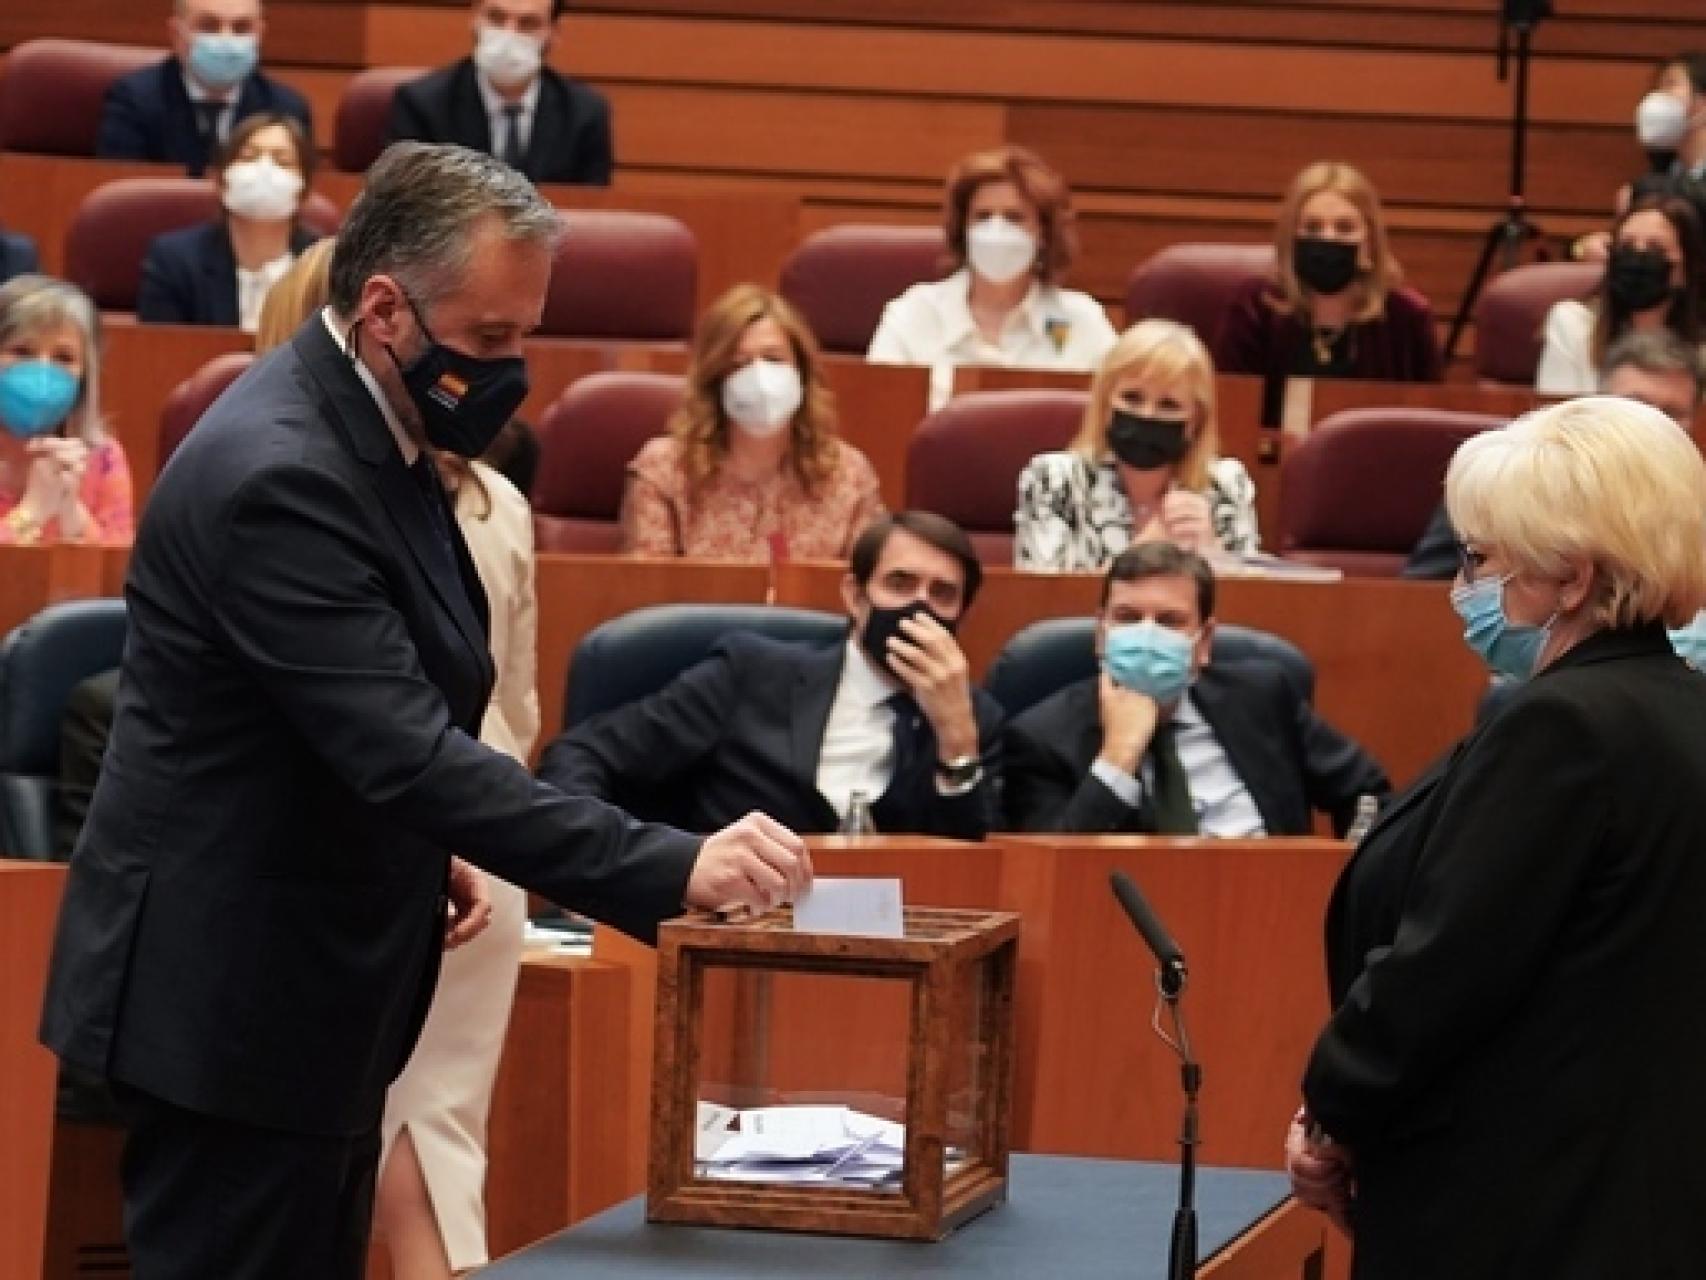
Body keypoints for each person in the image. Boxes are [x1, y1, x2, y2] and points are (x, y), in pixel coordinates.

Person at [38, 142, 808, 1280]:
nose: (512, 368)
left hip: (313, 980)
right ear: (386, 307)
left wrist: (413, 842)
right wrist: (668, 864)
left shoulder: (376, 424)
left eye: (525, 336)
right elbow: (401, 746)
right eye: (492, 339)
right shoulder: (283, 473)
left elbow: (384, 710)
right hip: (235, 1004)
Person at [1289, 396, 1706, 1278]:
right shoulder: (1680, 710)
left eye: (1481, 559)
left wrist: (1332, 1116)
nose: (1461, 584)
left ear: (1571, 576)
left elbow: (1443, 974)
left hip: (1515, 1218)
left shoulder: (1562, 730)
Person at [541, 510, 1004, 838]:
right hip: (730, 928)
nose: (918, 606)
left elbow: (976, 871)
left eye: (941, 594)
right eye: (899, 584)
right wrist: (603, 864)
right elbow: (584, 753)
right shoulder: (753, 674)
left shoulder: (977, 719)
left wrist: (958, 743)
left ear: (963, 612)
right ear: (855, 595)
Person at [1004, 542, 1387, 835]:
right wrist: (1118, 756)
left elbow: (1369, 793)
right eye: (1127, 617)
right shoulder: (1041, 737)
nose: (1147, 634)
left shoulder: (1262, 696)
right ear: (1101, 633)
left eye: (1170, 621)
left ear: (1203, 642)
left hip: (1272, 907)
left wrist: (1352, 876)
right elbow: (1051, 870)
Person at [1404, 330, 1704, 581]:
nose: (1652, 423)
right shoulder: (1507, 480)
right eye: (1635, 406)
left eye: (1673, 413)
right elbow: (1424, 588)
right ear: (1596, 401)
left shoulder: (1696, 499)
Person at [621, 283, 884, 559]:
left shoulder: (849, 474)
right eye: (739, 364)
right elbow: (648, 588)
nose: (759, 377)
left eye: (773, 359)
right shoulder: (666, 469)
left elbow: (869, 590)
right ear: (715, 379)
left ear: (802, 374)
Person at [867, 145, 1117, 407]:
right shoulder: (913, 315)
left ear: (1043, 233)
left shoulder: (1081, 321)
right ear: (963, 229)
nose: (996, 231)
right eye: (982, 217)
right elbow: (879, 410)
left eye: (1014, 218)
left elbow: (1110, 417)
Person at [1014, 319, 1258, 571]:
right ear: (1106, 405)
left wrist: (1212, 555)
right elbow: (1040, 594)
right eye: (1132, 398)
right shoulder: (1055, 480)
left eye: (1168, 405)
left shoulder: (1226, 485)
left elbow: (1253, 600)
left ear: (1195, 420)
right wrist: (1146, 548)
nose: (1147, 415)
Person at [1214, 161, 1442, 383]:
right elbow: (1234, 405)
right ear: (1291, 238)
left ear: (1370, 242)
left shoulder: (1407, 317)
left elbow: (1425, 413)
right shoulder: (1255, 308)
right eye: (1312, 228)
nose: (1327, 239)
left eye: (1344, 228)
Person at [389, 0, 613, 186]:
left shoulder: (584, 114)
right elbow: (405, 210)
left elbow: (590, 212)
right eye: (496, 18)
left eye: (528, 24)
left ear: (554, 32)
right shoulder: (420, 105)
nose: (508, 35)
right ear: (475, 18)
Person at [138, 113, 322, 332]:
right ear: (222, 180)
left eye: (283, 161)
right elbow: (161, 352)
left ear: (304, 189)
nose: (264, 170)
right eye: (248, 157)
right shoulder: (174, 261)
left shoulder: (325, 267)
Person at [97, 0, 312, 177]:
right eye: (209, 26)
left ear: (260, 34)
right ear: (176, 34)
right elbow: (122, 197)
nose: (226, 39)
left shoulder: (286, 109)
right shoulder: (134, 101)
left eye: (241, 28)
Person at [0, 276, 133, 545]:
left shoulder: (103, 457)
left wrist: (72, 516)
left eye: (63, 358)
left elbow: (119, 573)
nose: (43, 372)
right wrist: (32, 512)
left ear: (84, 375)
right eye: (22, 351)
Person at [1536, 194, 1705, 396]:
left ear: (1686, 270)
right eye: (1626, 246)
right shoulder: (1573, 324)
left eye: (1656, 248)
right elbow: (1559, 419)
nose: (1637, 257)